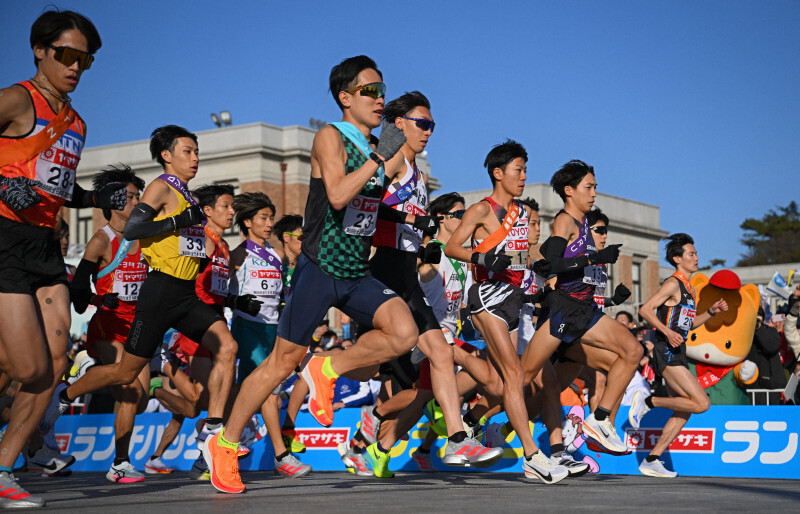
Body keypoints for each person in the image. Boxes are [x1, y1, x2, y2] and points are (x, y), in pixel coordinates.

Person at [203, 55, 418, 494]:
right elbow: (338, 195)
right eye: (370, 91)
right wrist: (380, 156)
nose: (380, 99)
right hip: (319, 268)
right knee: (279, 364)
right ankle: (223, 444)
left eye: (382, 90)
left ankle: (326, 368)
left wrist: (413, 227)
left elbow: (368, 216)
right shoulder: (331, 136)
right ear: (345, 97)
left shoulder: (379, 151)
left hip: (356, 270)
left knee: (404, 332)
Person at [51, 125, 239, 456]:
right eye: (187, 151)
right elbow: (135, 228)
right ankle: (65, 396)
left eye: (196, 151)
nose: (195, 158)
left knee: (228, 346)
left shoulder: (188, 196)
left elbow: (190, 249)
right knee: (125, 374)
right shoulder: (161, 187)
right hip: (161, 291)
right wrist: (177, 223)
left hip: (185, 294)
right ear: (166, 156)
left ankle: (213, 429)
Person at [0, 10, 125, 508]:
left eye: (85, 60)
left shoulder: (76, 121)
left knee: (51, 367)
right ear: (40, 50)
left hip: (45, 248)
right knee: (26, 367)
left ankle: (6, 466)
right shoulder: (15, 99)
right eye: (66, 55)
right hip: (5, 238)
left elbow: (55, 184)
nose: (75, 66)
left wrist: (96, 197)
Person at [357, 91, 499, 476]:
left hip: (405, 275)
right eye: (422, 123)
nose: (429, 131)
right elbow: (364, 200)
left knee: (439, 353)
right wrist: (407, 220)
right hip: (386, 269)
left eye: (432, 125)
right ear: (398, 123)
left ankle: (457, 440)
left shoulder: (416, 170)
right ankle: (321, 373)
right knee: (361, 368)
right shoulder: (393, 158)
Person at [444, 140, 568, 484]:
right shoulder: (480, 211)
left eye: (526, 169)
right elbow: (453, 247)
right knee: (515, 375)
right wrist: (482, 259)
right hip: (486, 297)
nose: (524, 176)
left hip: (514, 300)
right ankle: (532, 456)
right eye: (518, 169)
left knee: (506, 380)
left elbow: (529, 261)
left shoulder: (522, 213)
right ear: (498, 174)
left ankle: (469, 415)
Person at [520, 160, 642, 455]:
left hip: (585, 310)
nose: (594, 194)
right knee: (522, 378)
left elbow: (552, 258)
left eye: (595, 188)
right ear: (569, 191)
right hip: (564, 310)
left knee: (632, 351)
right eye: (588, 187)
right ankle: (475, 419)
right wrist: (594, 259)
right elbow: (551, 264)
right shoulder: (565, 221)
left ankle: (599, 420)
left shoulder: (585, 223)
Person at [70, 165, 150, 482]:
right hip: (108, 326)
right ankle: (120, 464)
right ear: (114, 202)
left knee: (139, 401)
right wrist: (99, 300)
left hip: (138, 327)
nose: (137, 203)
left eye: (138, 197)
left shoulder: (145, 237)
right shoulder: (101, 240)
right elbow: (77, 288)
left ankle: (91, 372)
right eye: (131, 197)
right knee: (129, 388)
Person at [228, 192, 311, 478]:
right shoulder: (238, 254)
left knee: (246, 392)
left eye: (271, 218)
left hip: (273, 329)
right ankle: (281, 455)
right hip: (248, 327)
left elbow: (281, 294)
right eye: (263, 218)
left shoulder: (275, 257)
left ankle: (212, 440)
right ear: (248, 222)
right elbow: (218, 292)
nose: (268, 223)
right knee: (267, 391)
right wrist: (236, 302)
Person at [631, 233, 727, 477]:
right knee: (702, 403)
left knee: (685, 410)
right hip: (666, 350)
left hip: (677, 350)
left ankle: (652, 459)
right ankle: (648, 401)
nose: (696, 257)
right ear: (677, 258)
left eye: (696, 253)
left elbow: (688, 324)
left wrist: (711, 313)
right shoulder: (673, 283)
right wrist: (665, 331)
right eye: (691, 254)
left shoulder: (689, 288)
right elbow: (645, 309)